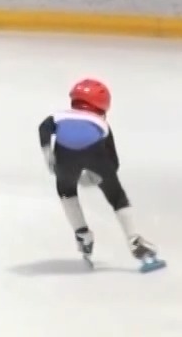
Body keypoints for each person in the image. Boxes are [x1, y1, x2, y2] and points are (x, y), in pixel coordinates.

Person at [39, 79, 164, 272]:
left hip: (64, 158)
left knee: (66, 190)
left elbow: (44, 127)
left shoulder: (60, 115)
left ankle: (82, 234)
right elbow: (114, 161)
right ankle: (135, 242)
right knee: (116, 196)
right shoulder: (101, 123)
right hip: (96, 155)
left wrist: (47, 151)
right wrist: (100, 175)